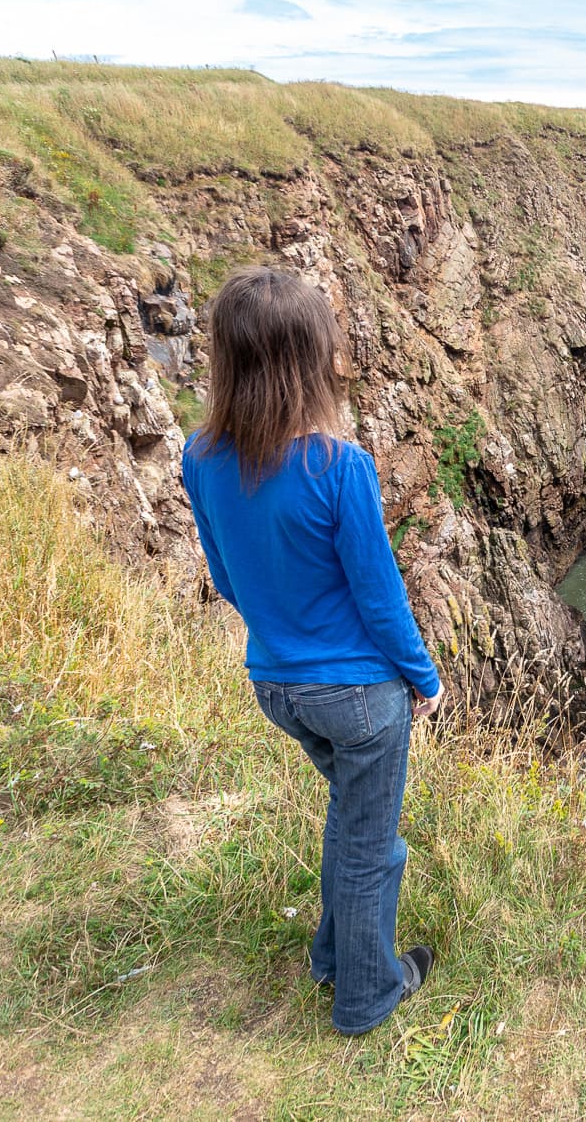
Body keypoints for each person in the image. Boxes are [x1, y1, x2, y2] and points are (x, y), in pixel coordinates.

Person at [180, 266, 444, 1036]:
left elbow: (226, 578)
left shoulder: (200, 456)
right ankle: (368, 994)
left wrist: (287, 633)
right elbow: (380, 596)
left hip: (278, 687)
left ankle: (333, 955)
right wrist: (425, 680)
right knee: (374, 849)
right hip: (361, 697)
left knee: (350, 820)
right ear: (309, 357)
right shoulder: (341, 468)